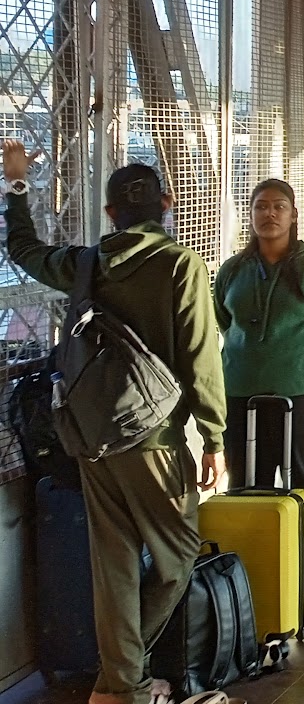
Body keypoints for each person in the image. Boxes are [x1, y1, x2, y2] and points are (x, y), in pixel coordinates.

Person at [3, 140, 227, 704]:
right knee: (177, 558)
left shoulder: (84, 264)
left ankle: (121, 685)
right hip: (156, 440)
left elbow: (25, 251)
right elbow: (201, 358)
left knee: (115, 566)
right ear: (168, 205)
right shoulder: (180, 265)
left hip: (93, 439)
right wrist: (215, 437)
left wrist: (16, 185)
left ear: (109, 214)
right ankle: (119, 680)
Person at [213, 178, 304, 642]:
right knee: (246, 489)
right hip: (240, 396)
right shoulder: (233, 271)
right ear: (251, 215)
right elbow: (222, 320)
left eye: (279, 207)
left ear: (294, 215)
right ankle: (248, 592)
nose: (269, 214)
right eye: (260, 206)